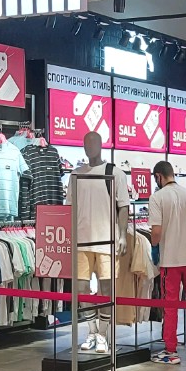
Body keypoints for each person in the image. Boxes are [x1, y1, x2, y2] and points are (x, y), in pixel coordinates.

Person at [65, 131, 131, 355]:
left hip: (106, 241)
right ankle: (92, 331)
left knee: (107, 287)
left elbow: (123, 206)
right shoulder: (76, 174)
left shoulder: (115, 173)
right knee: (81, 288)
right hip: (81, 242)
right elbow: (70, 207)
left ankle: (103, 333)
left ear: (101, 145)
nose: (89, 147)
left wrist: (122, 235)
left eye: (93, 143)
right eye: (86, 144)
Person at [148, 161, 186, 365]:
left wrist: (154, 248)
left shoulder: (157, 198)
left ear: (158, 176)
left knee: (170, 305)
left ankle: (171, 350)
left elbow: (156, 231)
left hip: (171, 259)